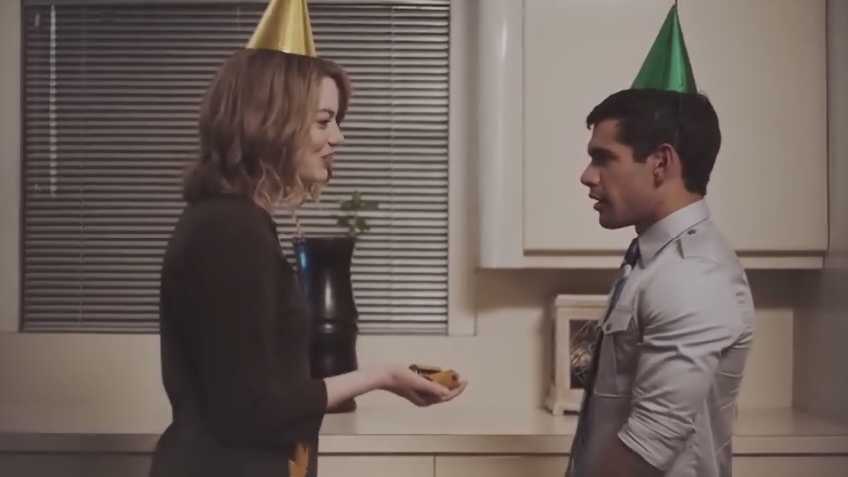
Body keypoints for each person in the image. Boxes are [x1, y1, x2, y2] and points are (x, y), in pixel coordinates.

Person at [150, 48, 465, 477]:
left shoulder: (234, 222)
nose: (338, 137)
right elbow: (251, 409)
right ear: (269, 123)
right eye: (323, 121)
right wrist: (381, 377)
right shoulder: (230, 230)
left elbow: (263, 385)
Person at [567, 88, 755, 477]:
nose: (587, 176)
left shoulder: (692, 275)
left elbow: (648, 446)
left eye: (603, 158)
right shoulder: (655, 259)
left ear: (660, 162)